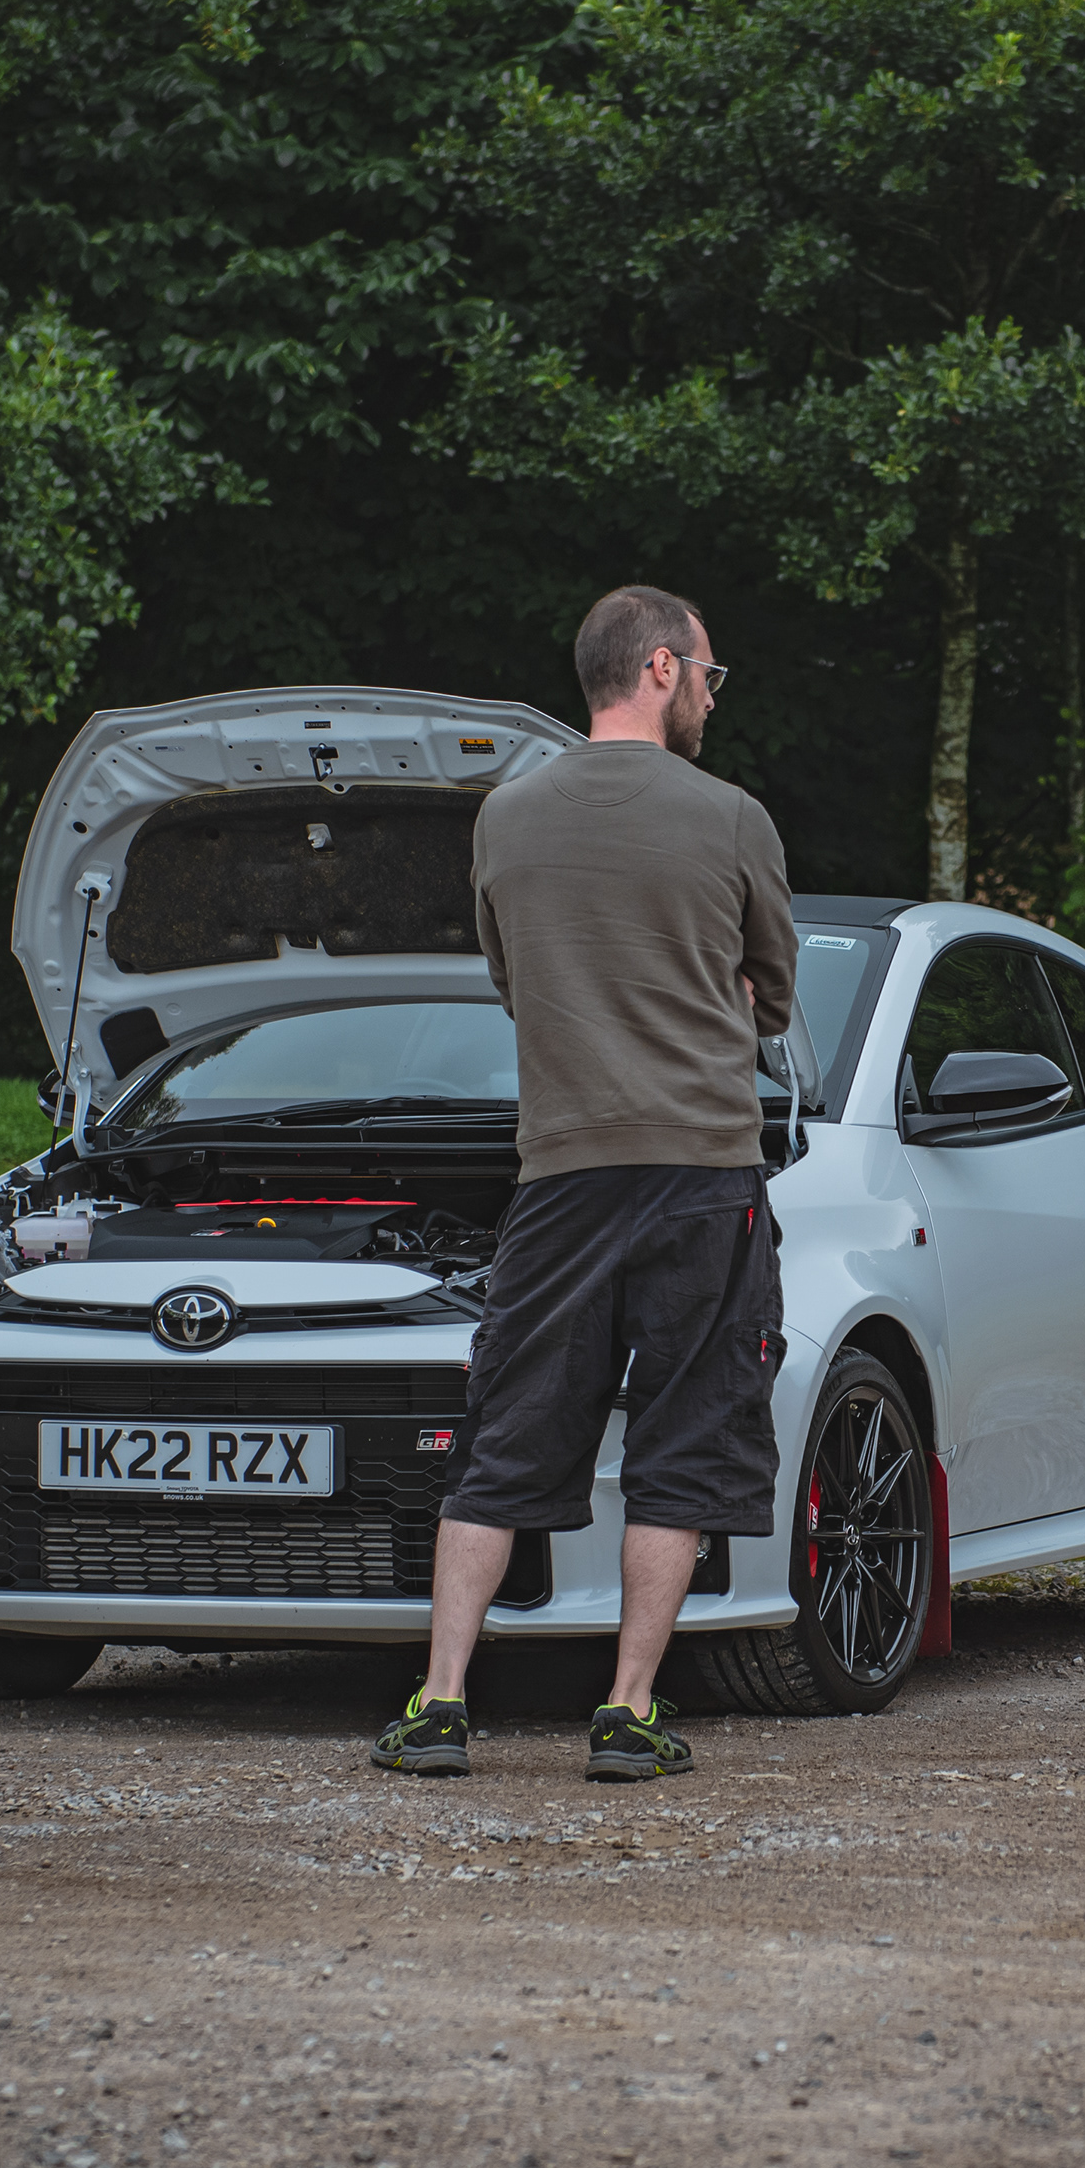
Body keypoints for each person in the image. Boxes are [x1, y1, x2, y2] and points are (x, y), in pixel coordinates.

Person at [369, 585, 798, 1781]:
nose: (712, 694)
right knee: (686, 1434)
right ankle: (627, 1709)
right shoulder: (732, 818)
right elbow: (771, 994)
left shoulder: (505, 817)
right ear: (660, 668)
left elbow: (513, 982)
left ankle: (440, 1704)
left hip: (562, 1173)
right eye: (708, 672)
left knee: (506, 1429)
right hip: (704, 1172)